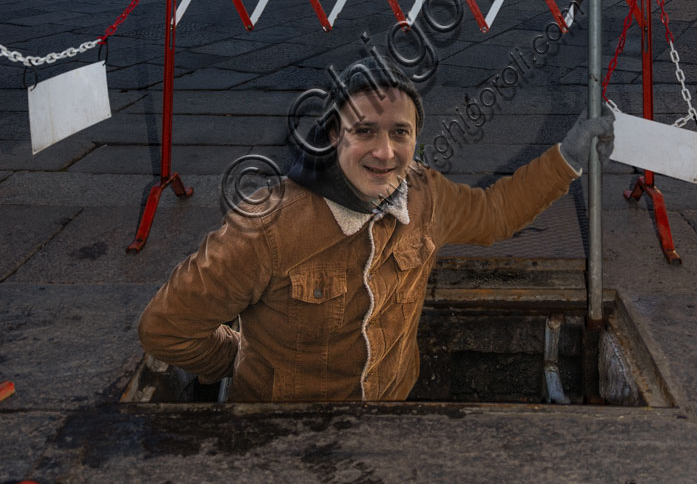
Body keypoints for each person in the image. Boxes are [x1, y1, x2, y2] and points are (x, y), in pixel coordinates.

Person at [139, 59, 614, 403]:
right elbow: (166, 328)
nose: (385, 152)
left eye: (400, 133)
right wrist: (238, 361)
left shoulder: (427, 194)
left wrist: (568, 158)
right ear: (332, 136)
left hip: (392, 411)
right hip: (279, 431)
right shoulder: (268, 224)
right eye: (364, 131)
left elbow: (495, 212)